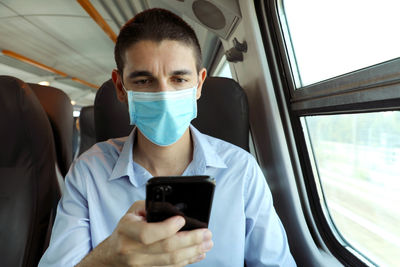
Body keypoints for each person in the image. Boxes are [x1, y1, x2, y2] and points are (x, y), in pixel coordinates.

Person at [39, 8, 296, 267]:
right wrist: (107, 260)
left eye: (178, 78)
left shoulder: (242, 170)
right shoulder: (88, 172)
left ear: (199, 84)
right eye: (143, 81)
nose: (163, 95)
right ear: (120, 87)